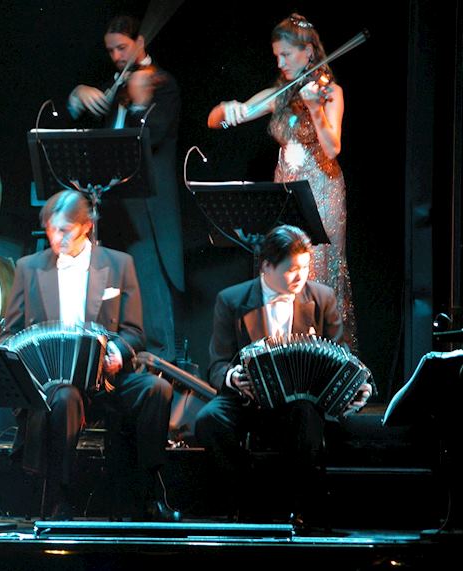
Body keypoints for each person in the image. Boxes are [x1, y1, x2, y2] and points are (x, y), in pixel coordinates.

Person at [2, 190, 177, 521]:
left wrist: (118, 351)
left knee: (157, 390)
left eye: (65, 230)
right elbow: (9, 332)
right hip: (58, 384)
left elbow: (134, 332)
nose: (57, 238)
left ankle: (148, 494)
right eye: (52, 229)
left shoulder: (118, 263)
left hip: (107, 379)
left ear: (86, 226)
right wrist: (23, 355)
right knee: (65, 397)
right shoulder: (29, 268)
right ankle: (59, 498)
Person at [193, 225, 372, 526]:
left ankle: (300, 508)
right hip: (249, 401)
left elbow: (342, 358)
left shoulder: (322, 298)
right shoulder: (231, 300)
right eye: (292, 270)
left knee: (306, 415)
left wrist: (357, 386)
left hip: (298, 405)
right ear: (266, 266)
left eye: (305, 268)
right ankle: (247, 500)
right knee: (208, 421)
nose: (300, 277)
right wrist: (233, 376)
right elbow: (217, 365)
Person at [207, 13, 356, 347]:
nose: (281, 61)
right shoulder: (279, 94)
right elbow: (217, 121)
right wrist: (227, 109)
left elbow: (332, 148)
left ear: (308, 51)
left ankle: (325, 356)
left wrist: (315, 110)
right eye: (277, 56)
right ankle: (286, 353)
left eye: (286, 54)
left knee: (317, 274)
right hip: (286, 190)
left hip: (321, 191)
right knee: (285, 269)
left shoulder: (330, 92)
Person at [66, 14, 183, 362]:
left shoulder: (162, 84)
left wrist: (141, 105)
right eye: (111, 50)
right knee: (114, 290)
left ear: (140, 44)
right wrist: (76, 97)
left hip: (144, 207)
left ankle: (165, 366)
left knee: (150, 286)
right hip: (110, 204)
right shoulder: (112, 86)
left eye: (123, 47)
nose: (117, 56)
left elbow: (153, 139)